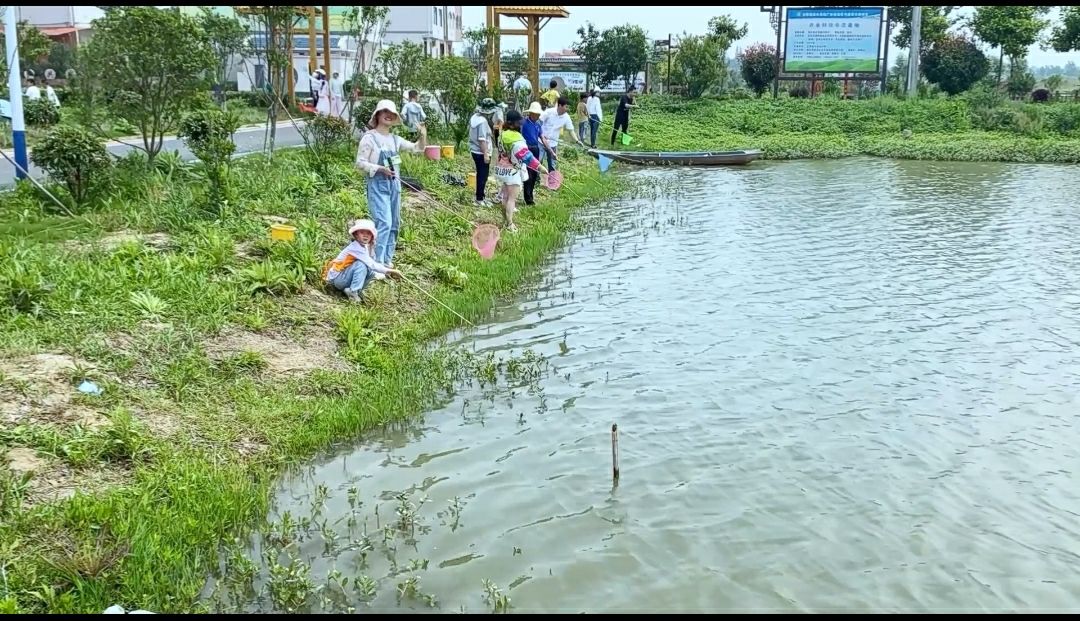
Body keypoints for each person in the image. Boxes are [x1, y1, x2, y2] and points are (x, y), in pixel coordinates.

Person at [354, 100, 427, 274]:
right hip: (378, 185)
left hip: (394, 186)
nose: (388, 115)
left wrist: (423, 135)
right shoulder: (369, 138)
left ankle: (387, 259)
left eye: (392, 113)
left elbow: (417, 149)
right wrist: (379, 168)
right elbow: (360, 163)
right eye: (384, 111)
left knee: (394, 223)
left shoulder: (395, 139)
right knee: (384, 222)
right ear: (377, 115)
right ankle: (377, 262)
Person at [324, 219, 402, 303]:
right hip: (337, 278)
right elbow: (372, 264)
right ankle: (353, 292)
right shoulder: (355, 247)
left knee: (370, 271)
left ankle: (355, 290)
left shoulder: (365, 247)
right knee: (361, 265)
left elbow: (372, 263)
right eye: (362, 233)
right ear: (356, 235)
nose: (365, 236)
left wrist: (371, 247)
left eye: (368, 233)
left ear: (372, 236)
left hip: (344, 277)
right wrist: (390, 271)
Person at [495, 109, 547, 232]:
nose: (521, 124)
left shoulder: (502, 134)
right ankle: (510, 224)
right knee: (511, 199)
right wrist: (540, 167)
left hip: (502, 169)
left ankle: (505, 220)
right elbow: (527, 157)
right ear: (513, 123)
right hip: (513, 172)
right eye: (519, 122)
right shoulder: (517, 139)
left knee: (505, 197)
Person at [539, 96, 583, 171]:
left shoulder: (566, 117)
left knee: (552, 165)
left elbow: (571, 130)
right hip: (541, 142)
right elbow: (538, 122)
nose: (567, 109)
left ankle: (552, 182)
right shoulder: (549, 112)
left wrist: (577, 141)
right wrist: (540, 134)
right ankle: (537, 180)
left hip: (553, 144)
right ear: (559, 105)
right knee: (538, 162)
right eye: (566, 107)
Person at [468, 98, 498, 205]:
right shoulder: (482, 122)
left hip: (475, 150)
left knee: (480, 174)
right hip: (481, 152)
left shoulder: (475, 117)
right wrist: (486, 154)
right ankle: (479, 199)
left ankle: (480, 197)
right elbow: (482, 139)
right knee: (483, 176)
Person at [521, 101, 545, 206]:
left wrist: (551, 151)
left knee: (534, 173)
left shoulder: (538, 124)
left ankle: (531, 195)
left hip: (536, 149)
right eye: (536, 114)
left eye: (539, 114)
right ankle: (528, 198)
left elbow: (542, 137)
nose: (538, 115)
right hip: (527, 149)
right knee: (528, 174)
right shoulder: (524, 123)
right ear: (531, 113)